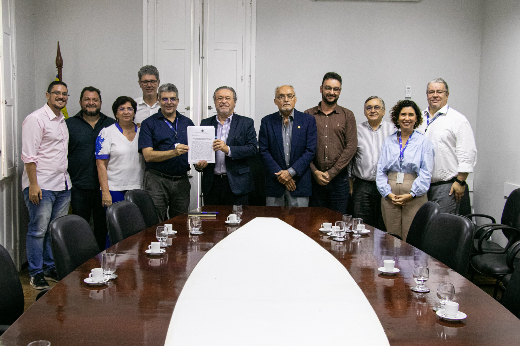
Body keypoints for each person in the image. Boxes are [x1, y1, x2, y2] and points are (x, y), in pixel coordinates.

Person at [21, 81, 72, 289]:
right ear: (47, 95)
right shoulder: (35, 119)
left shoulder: (61, 120)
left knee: (54, 230)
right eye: (57, 93)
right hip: (41, 185)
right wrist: (33, 185)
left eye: (64, 94)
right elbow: (29, 156)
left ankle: (50, 266)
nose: (61, 97)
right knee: (38, 230)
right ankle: (36, 272)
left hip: (62, 185)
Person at [416, 78, 477, 214]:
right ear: (427, 95)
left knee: (442, 230)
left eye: (439, 91)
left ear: (447, 95)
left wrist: (460, 181)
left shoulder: (457, 120)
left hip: (447, 186)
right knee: (423, 229)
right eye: (431, 92)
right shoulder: (419, 119)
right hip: (422, 187)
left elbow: (467, 152)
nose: (435, 95)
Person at [376, 100, 435, 240]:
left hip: (414, 196)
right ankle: (393, 262)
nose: (406, 118)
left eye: (410, 115)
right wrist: (388, 193)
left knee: (411, 237)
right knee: (392, 237)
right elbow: (381, 171)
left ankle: (409, 263)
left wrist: (412, 194)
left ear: (416, 118)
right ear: (397, 117)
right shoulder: (388, 141)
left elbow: (426, 173)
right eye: (403, 114)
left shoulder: (424, 142)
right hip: (390, 196)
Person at [66, 86, 115, 251]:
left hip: (105, 187)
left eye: (95, 100)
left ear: (100, 102)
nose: (91, 103)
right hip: (80, 186)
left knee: (103, 227)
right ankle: (81, 264)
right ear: (80, 102)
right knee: (80, 228)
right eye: (87, 99)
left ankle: (101, 263)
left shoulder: (111, 124)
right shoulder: (69, 125)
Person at [139, 83, 193, 221]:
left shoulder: (187, 123)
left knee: (180, 222)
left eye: (173, 99)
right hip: (157, 180)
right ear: (158, 100)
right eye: (165, 99)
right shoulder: (148, 124)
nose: (169, 103)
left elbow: (195, 150)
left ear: (178, 101)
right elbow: (148, 155)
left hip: (181, 180)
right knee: (156, 222)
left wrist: (200, 164)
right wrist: (174, 152)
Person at [304, 72, 357, 214]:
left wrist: (331, 173)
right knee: (314, 223)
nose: (331, 92)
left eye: (336, 89)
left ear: (340, 91)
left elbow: (351, 146)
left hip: (339, 181)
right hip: (313, 180)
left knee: (338, 223)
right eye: (328, 88)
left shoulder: (348, 115)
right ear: (321, 88)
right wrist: (315, 171)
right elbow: (302, 147)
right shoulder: (308, 115)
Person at [195, 86, 257, 206]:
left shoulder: (246, 123)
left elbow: (252, 149)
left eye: (227, 98)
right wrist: (198, 165)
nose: (223, 101)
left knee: (239, 222)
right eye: (219, 98)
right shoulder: (205, 123)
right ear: (214, 102)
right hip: (212, 184)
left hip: (238, 184)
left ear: (234, 102)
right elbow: (199, 149)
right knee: (212, 222)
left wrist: (227, 149)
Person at [258, 85, 317, 207]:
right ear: (275, 101)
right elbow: (264, 151)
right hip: (274, 184)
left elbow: (310, 151)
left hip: (299, 184)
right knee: (273, 223)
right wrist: (281, 175)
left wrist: (290, 173)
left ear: (295, 99)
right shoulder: (267, 121)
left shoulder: (308, 120)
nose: (286, 100)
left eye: (289, 96)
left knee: (300, 224)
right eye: (281, 96)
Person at [350, 96, 395, 231]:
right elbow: (350, 157)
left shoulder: (393, 130)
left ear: (383, 111)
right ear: (364, 111)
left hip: (387, 185)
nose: (373, 110)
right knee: (361, 225)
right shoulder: (356, 130)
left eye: (377, 107)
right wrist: (349, 182)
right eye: (369, 108)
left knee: (383, 225)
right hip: (362, 185)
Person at [95, 96, 145, 212]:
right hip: (114, 189)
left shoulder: (142, 132)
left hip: (137, 188)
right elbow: (100, 164)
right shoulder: (106, 133)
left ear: (134, 113)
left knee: (138, 226)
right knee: (116, 227)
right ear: (116, 114)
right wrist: (105, 192)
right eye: (122, 109)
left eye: (130, 109)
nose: (126, 112)